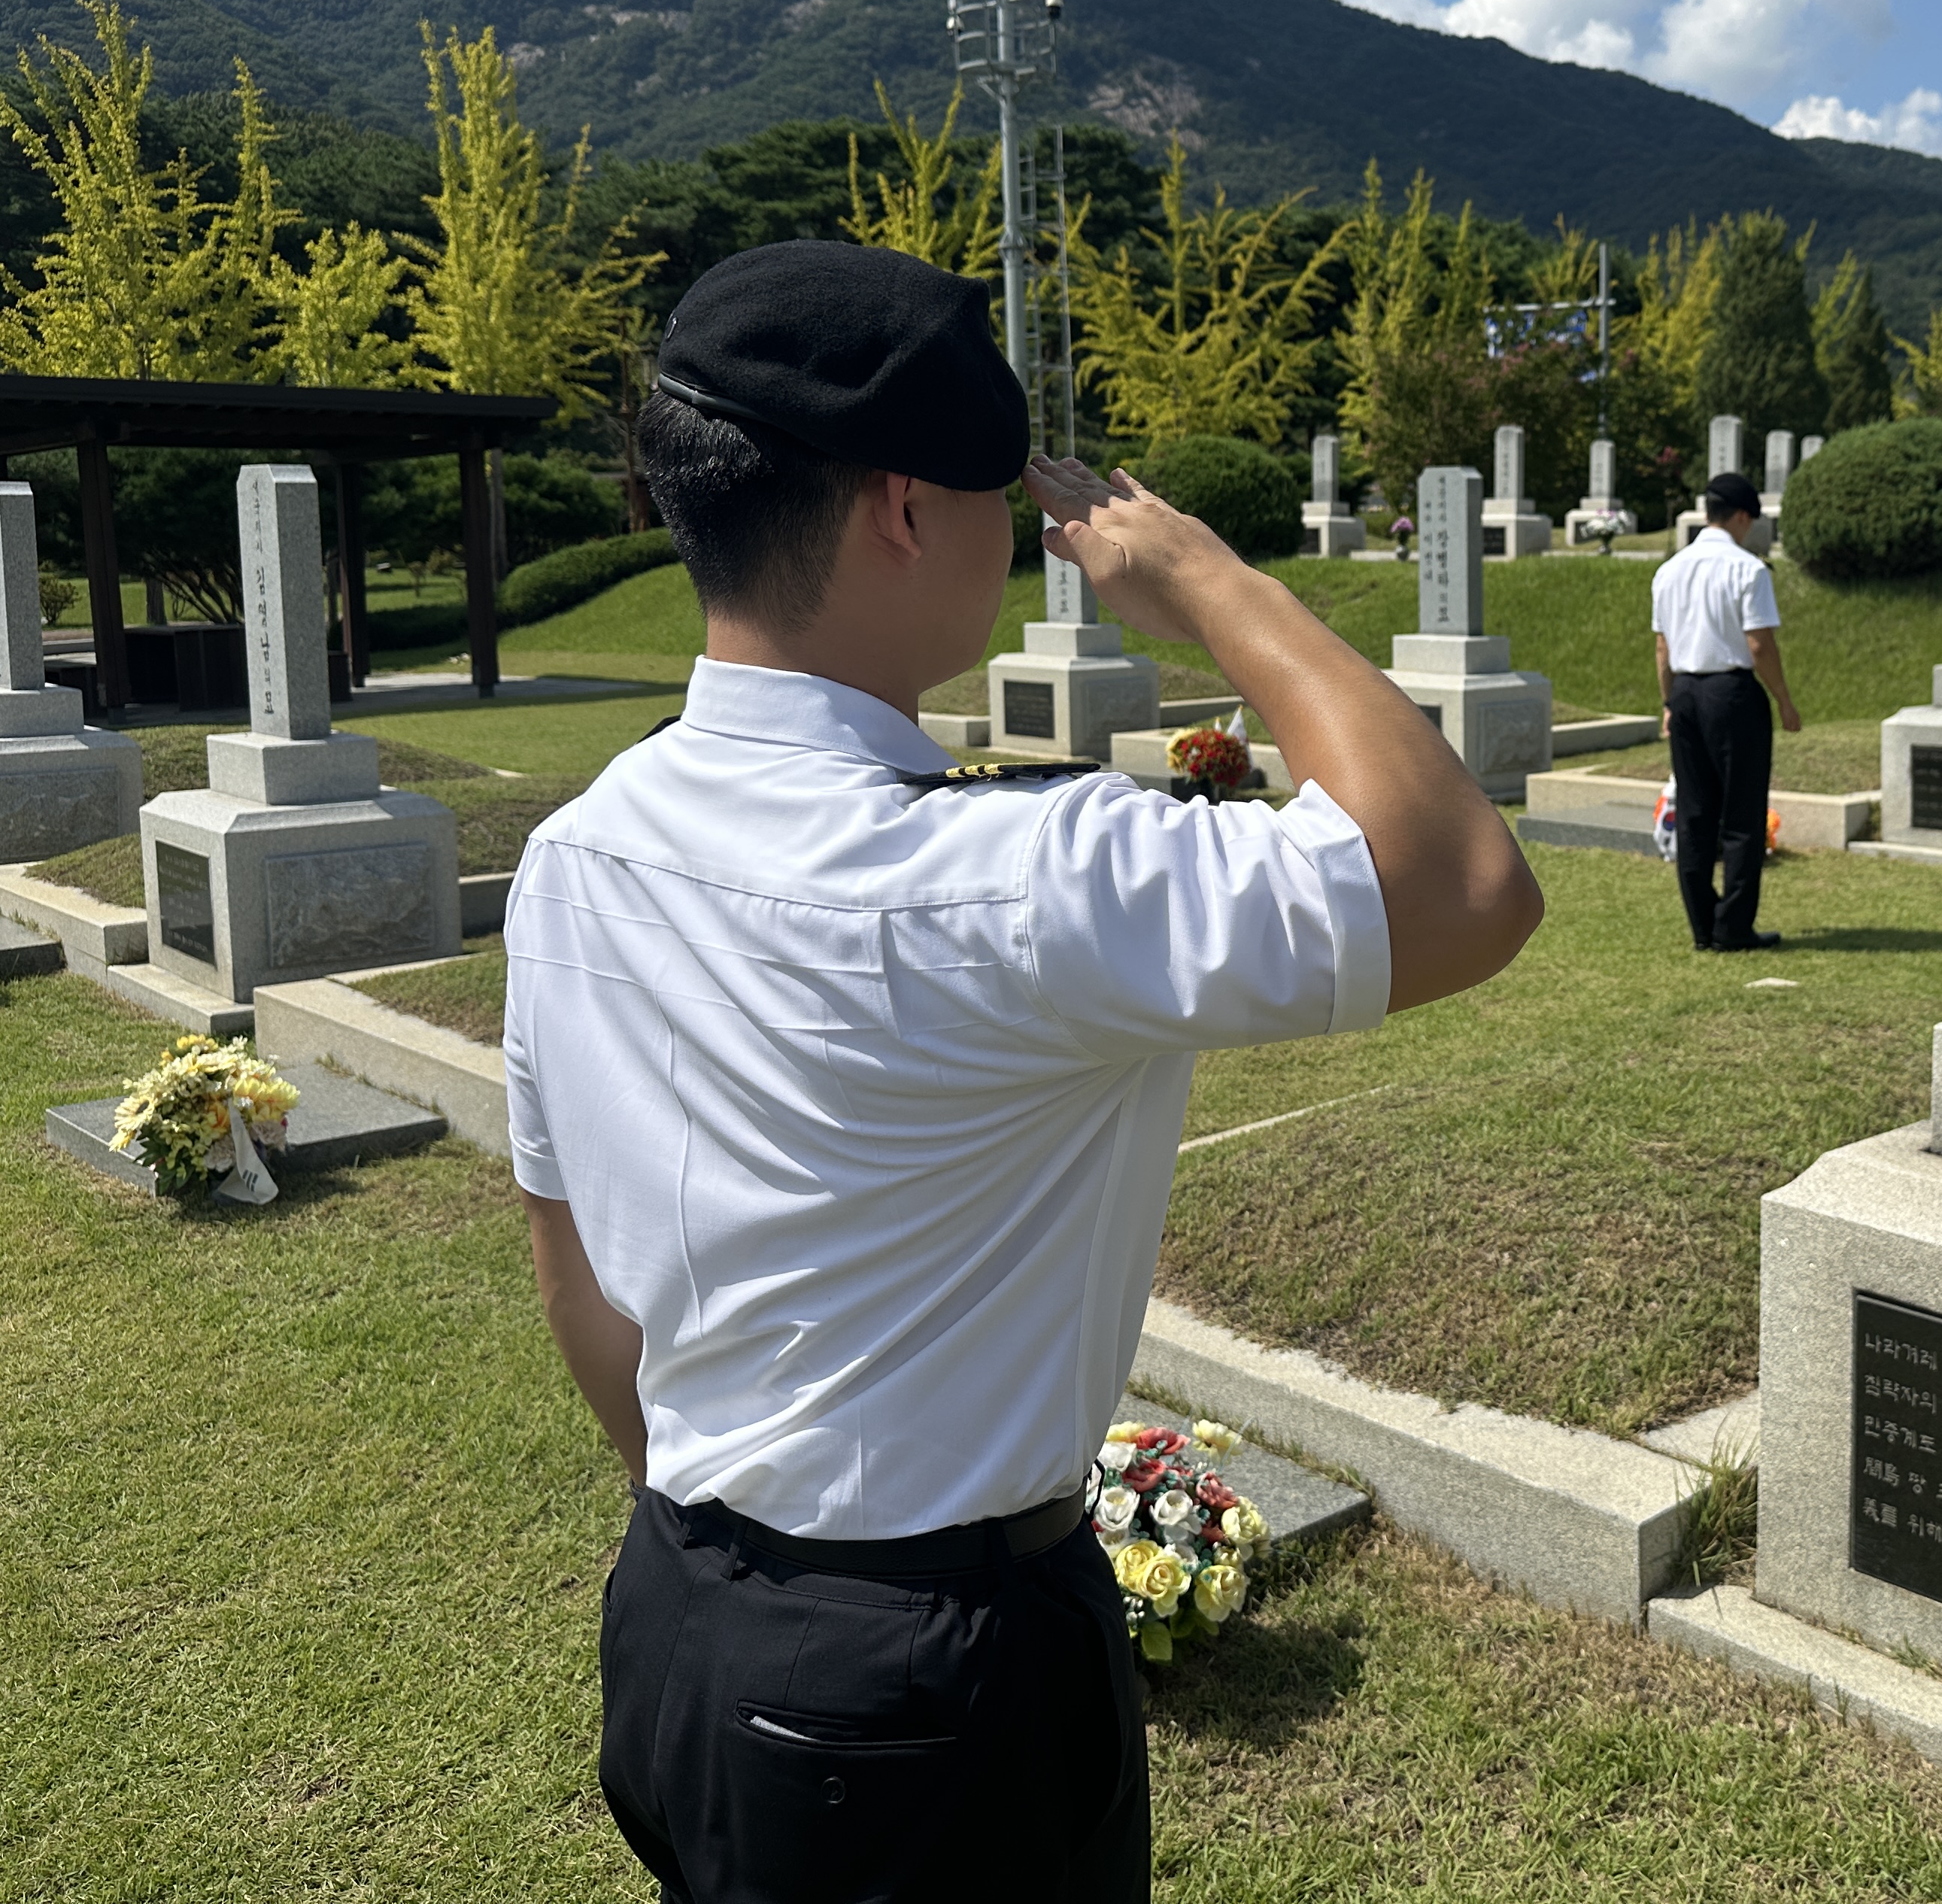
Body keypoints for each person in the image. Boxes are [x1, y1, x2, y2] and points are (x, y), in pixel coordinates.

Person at [504, 241, 1542, 1904]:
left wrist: (746, 1549)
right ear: (906, 507)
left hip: (683, 1606)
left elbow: (575, 1272)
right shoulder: (1018, 872)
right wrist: (1210, 582)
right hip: (929, 1681)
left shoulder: (578, 850)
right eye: (1002, 499)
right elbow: (1462, 884)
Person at [1649, 472, 1801, 952]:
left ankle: (1702, 925)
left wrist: (1669, 703)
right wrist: (1783, 699)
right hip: (1731, 694)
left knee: (1695, 813)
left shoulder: (1669, 569)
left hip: (1687, 693)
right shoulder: (1747, 569)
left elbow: (1662, 647)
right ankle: (1733, 926)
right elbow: (1758, 644)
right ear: (1740, 516)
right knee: (1741, 814)